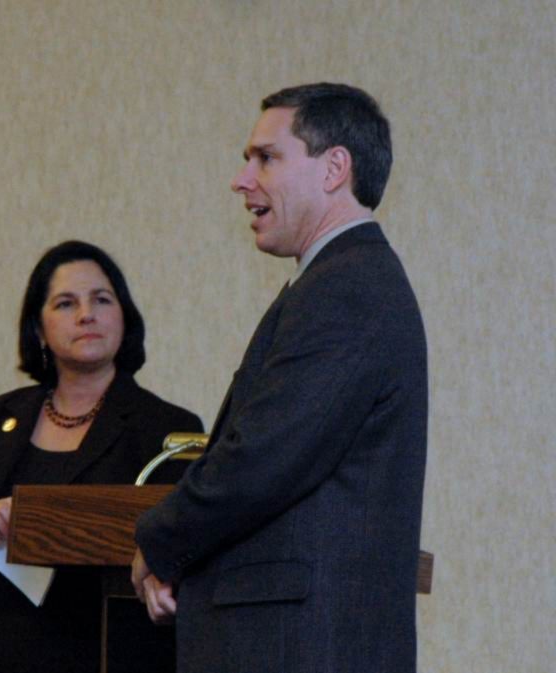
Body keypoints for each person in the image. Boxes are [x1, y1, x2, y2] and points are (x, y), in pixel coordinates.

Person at [132, 83, 427, 673]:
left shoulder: (346, 288)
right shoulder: (339, 281)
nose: (243, 180)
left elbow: (261, 459)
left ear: (334, 168)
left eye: (266, 158)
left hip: (300, 647)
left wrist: (157, 542)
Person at [0, 240, 203, 673]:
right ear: (38, 329)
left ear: (124, 315)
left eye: (101, 300)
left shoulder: (167, 428)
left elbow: (185, 554)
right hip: (1, 653)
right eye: (66, 303)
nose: (87, 314)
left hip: (110, 653)